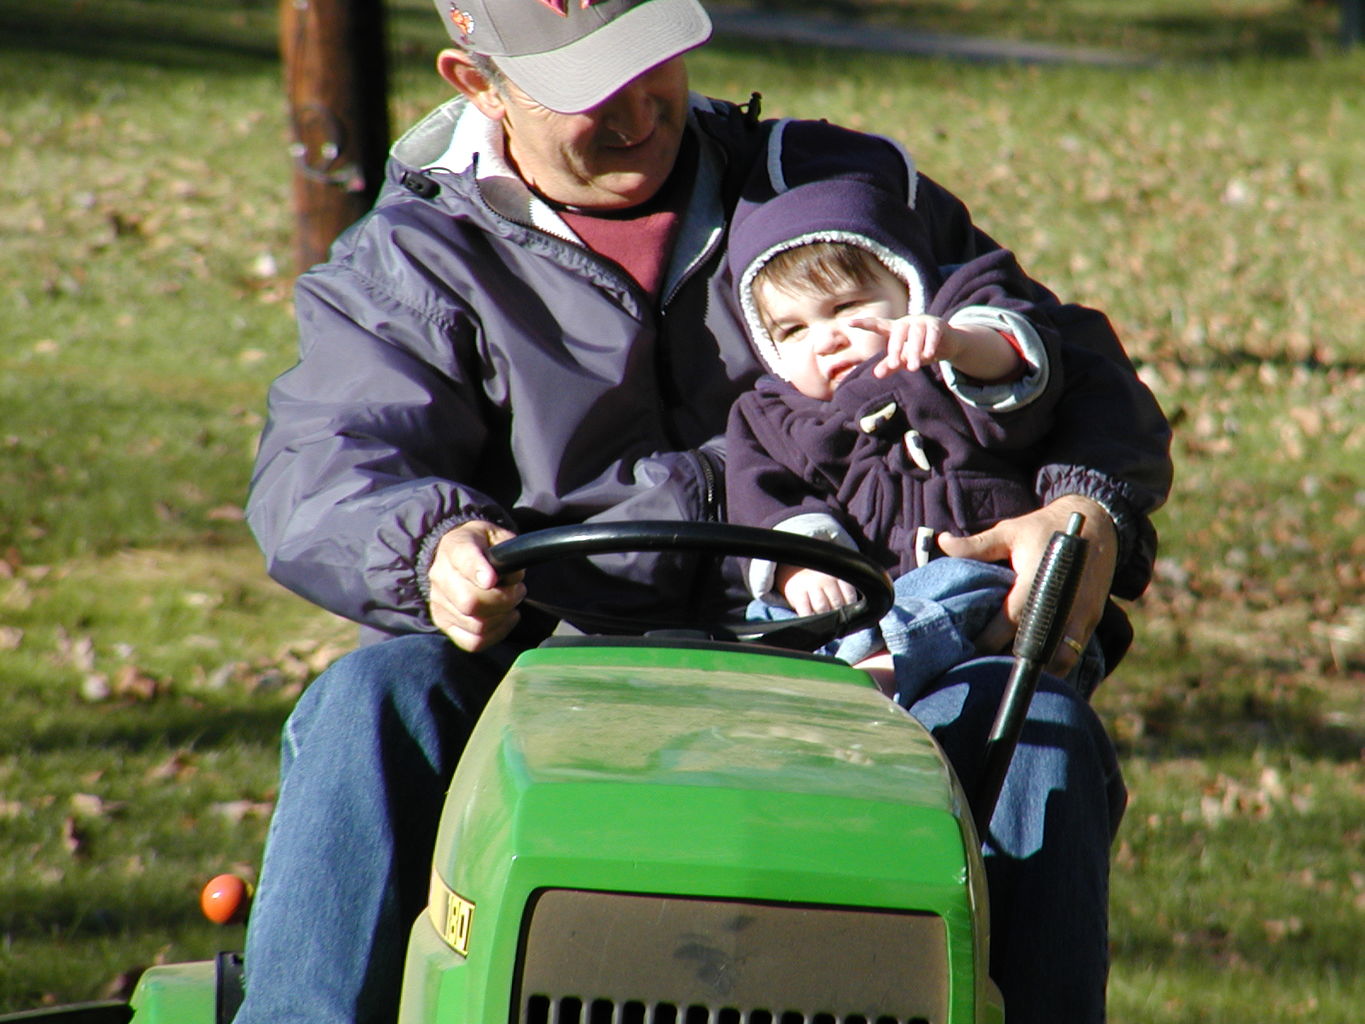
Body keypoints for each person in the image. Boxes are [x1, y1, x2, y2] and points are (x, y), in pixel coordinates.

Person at [238, 1, 1172, 1022]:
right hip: (556, 656)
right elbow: (327, 464)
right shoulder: (415, 258)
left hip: (867, 650)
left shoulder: (831, 190)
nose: (641, 108)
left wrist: (1085, 506)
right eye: (590, 90)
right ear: (478, 85)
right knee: (371, 700)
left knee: (1034, 732)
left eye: (657, 64)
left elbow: (1060, 354)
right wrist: (433, 546)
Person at [722, 177, 1109, 704]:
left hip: (985, 597)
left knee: (957, 586)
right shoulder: (774, 414)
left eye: (844, 308)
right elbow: (762, 496)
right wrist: (800, 564)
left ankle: (879, 669)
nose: (825, 339)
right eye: (792, 330)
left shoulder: (940, 365)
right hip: (852, 597)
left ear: (909, 291)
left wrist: (957, 344)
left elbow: (1016, 373)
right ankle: (814, 680)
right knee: (766, 616)